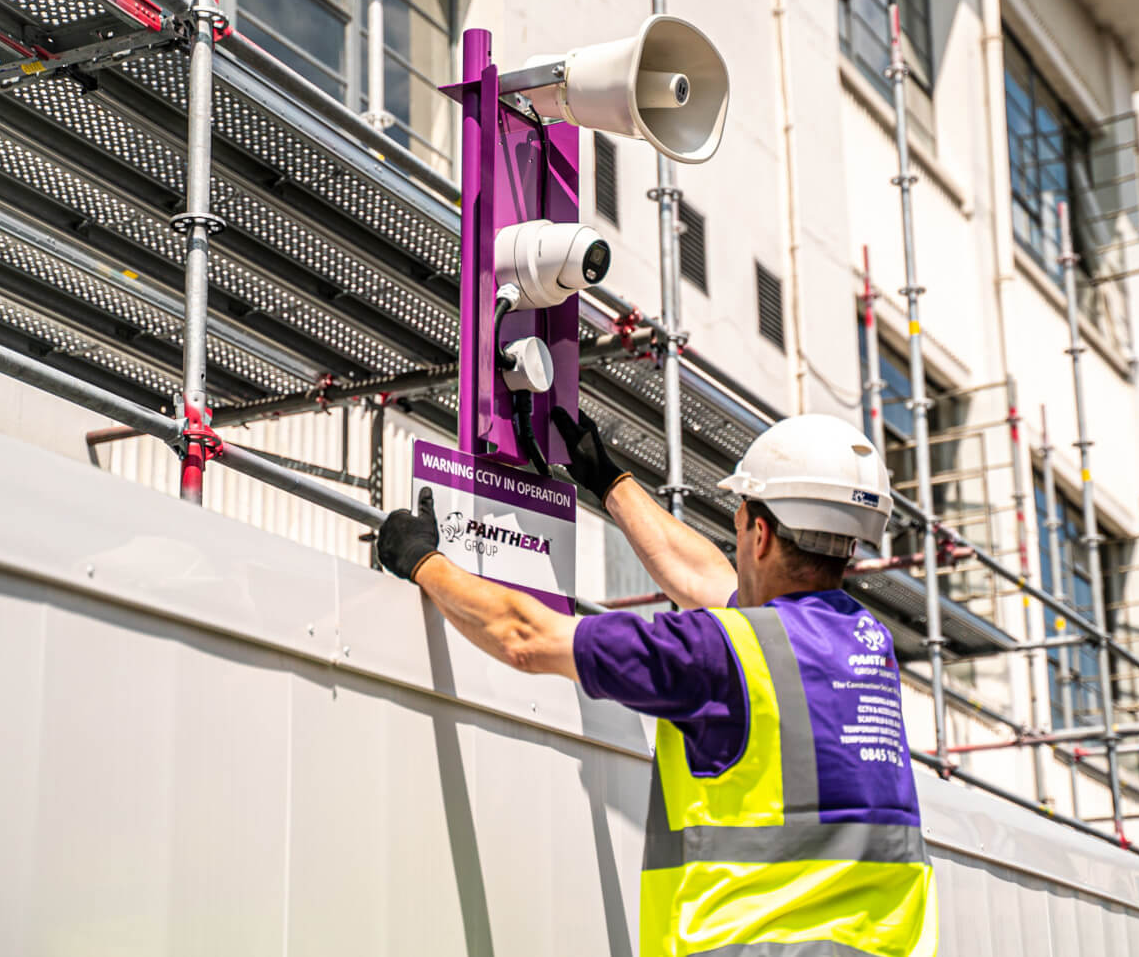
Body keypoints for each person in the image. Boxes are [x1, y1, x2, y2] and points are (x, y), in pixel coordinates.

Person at [376, 410, 937, 957]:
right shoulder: (865, 644)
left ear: (760, 534)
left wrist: (423, 559)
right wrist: (610, 482)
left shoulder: (716, 652)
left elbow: (525, 637)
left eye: (738, 523)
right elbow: (706, 579)